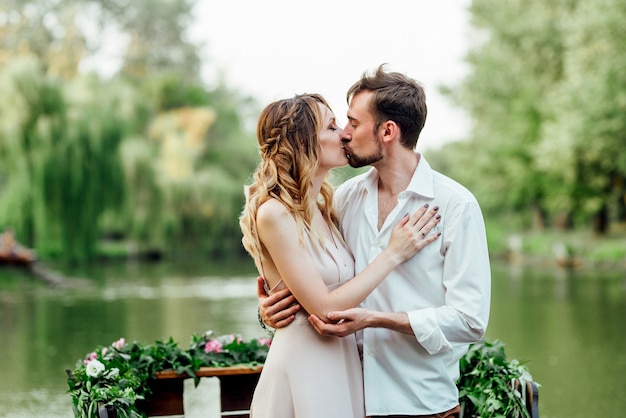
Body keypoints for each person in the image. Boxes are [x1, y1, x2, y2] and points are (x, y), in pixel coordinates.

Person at [259, 65, 491, 418]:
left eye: (352, 123)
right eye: (340, 124)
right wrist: (268, 307)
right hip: (348, 399)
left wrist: (378, 319)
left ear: (387, 131)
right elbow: (311, 270)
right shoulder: (343, 199)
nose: (345, 134)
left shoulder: (455, 206)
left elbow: (470, 320)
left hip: (420, 404)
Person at [239, 93, 442, 418]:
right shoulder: (274, 213)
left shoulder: (327, 210)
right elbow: (323, 307)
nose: (344, 134)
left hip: (343, 361)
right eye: (332, 127)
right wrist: (393, 253)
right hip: (304, 364)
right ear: (303, 141)